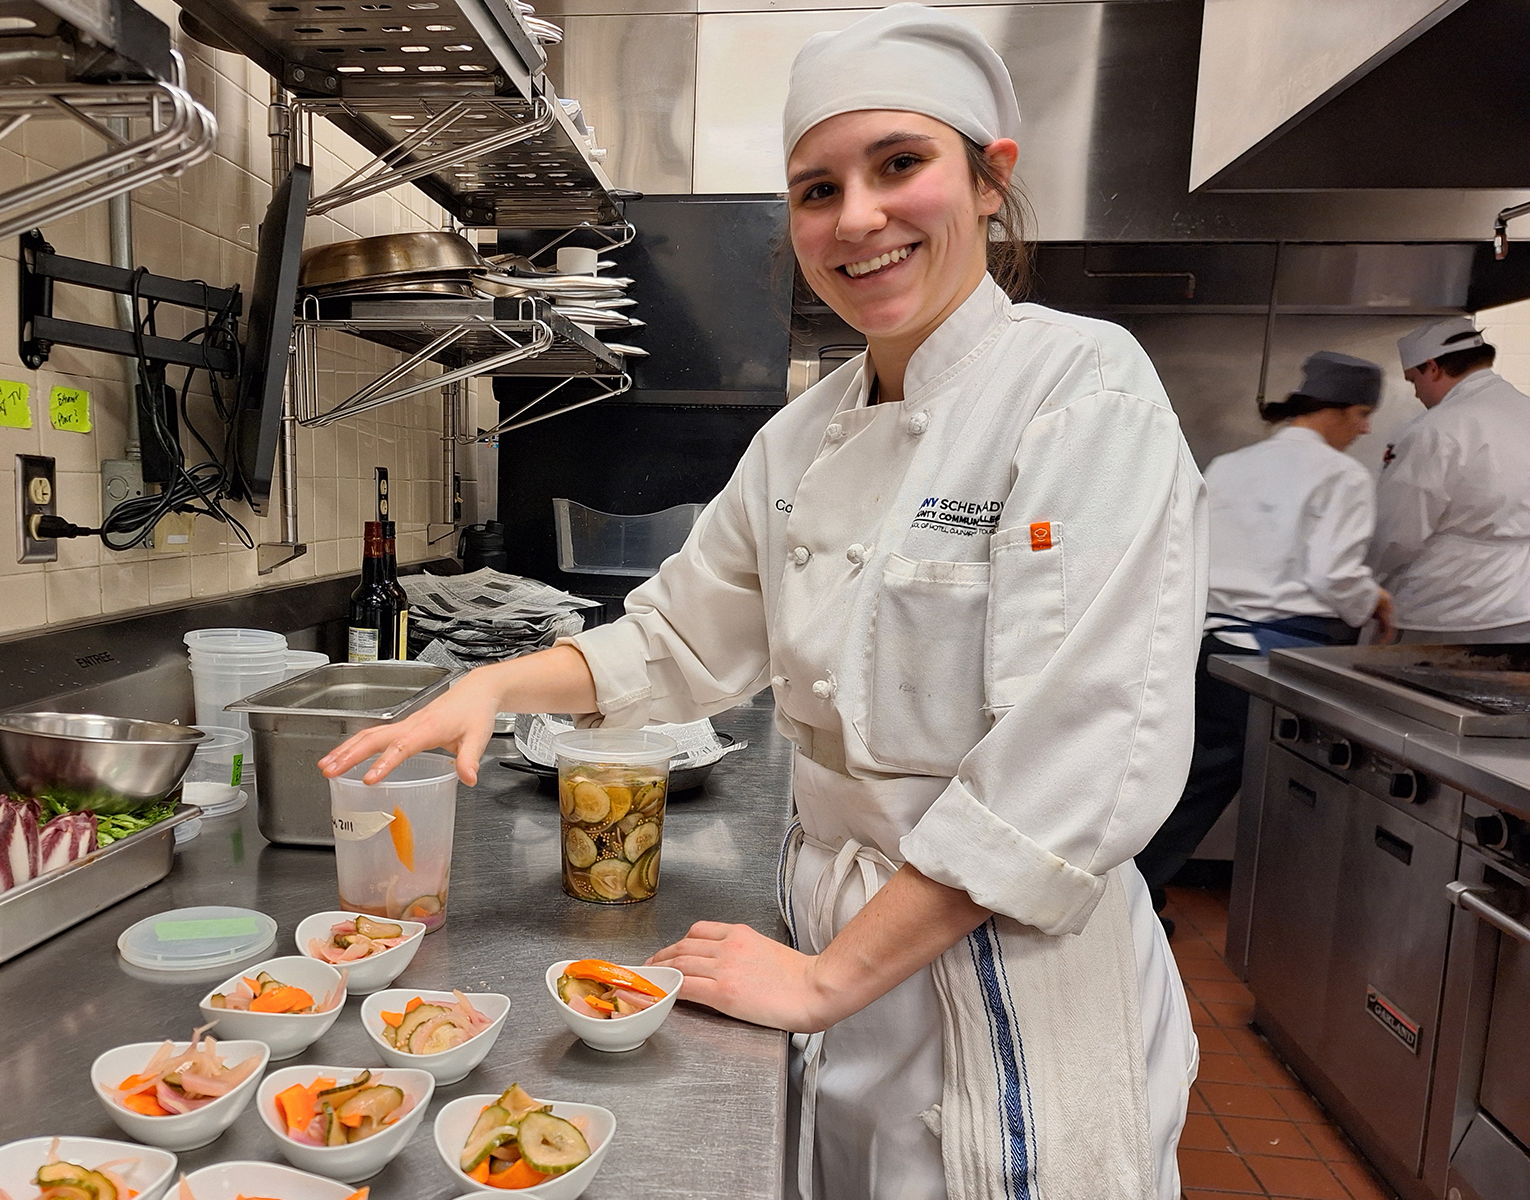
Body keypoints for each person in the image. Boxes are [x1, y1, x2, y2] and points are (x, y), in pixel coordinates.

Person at [319, 8, 1202, 1198]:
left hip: (1007, 968)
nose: (857, 219)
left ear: (991, 179)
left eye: (900, 165)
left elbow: (1077, 760)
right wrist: (488, 682)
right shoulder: (802, 437)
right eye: (816, 188)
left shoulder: (1082, 390)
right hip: (839, 940)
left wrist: (828, 981)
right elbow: (681, 638)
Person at [1135, 351, 1392, 920]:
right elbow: (1334, 575)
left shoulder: (1232, 464)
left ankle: (1134, 897)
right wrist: (1374, 599)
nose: (1367, 427)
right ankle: (1131, 903)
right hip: (1281, 658)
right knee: (1231, 792)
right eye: (1363, 413)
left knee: (1179, 784)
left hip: (1207, 649)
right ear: (1338, 411)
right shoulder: (1342, 475)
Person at [1371, 317, 1530, 642]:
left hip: (1443, 609)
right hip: (1520, 610)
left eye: (1413, 380)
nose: (1416, 393)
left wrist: (1363, 581)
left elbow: (1396, 531)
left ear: (1433, 367)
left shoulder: (1435, 428)